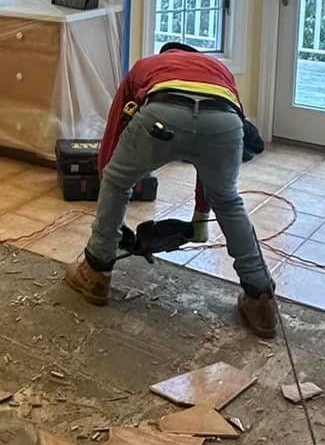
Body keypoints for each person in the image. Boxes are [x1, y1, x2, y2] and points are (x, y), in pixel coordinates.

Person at [64, 41, 279, 337]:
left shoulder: (147, 66)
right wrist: (201, 217)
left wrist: (110, 179)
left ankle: (97, 273)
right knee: (228, 201)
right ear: (196, 58)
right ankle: (261, 298)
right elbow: (211, 165)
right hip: (224, 122)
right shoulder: (220, 71)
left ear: (168, 56)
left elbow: (114, 132)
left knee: (117, 180)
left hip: (164, 114)